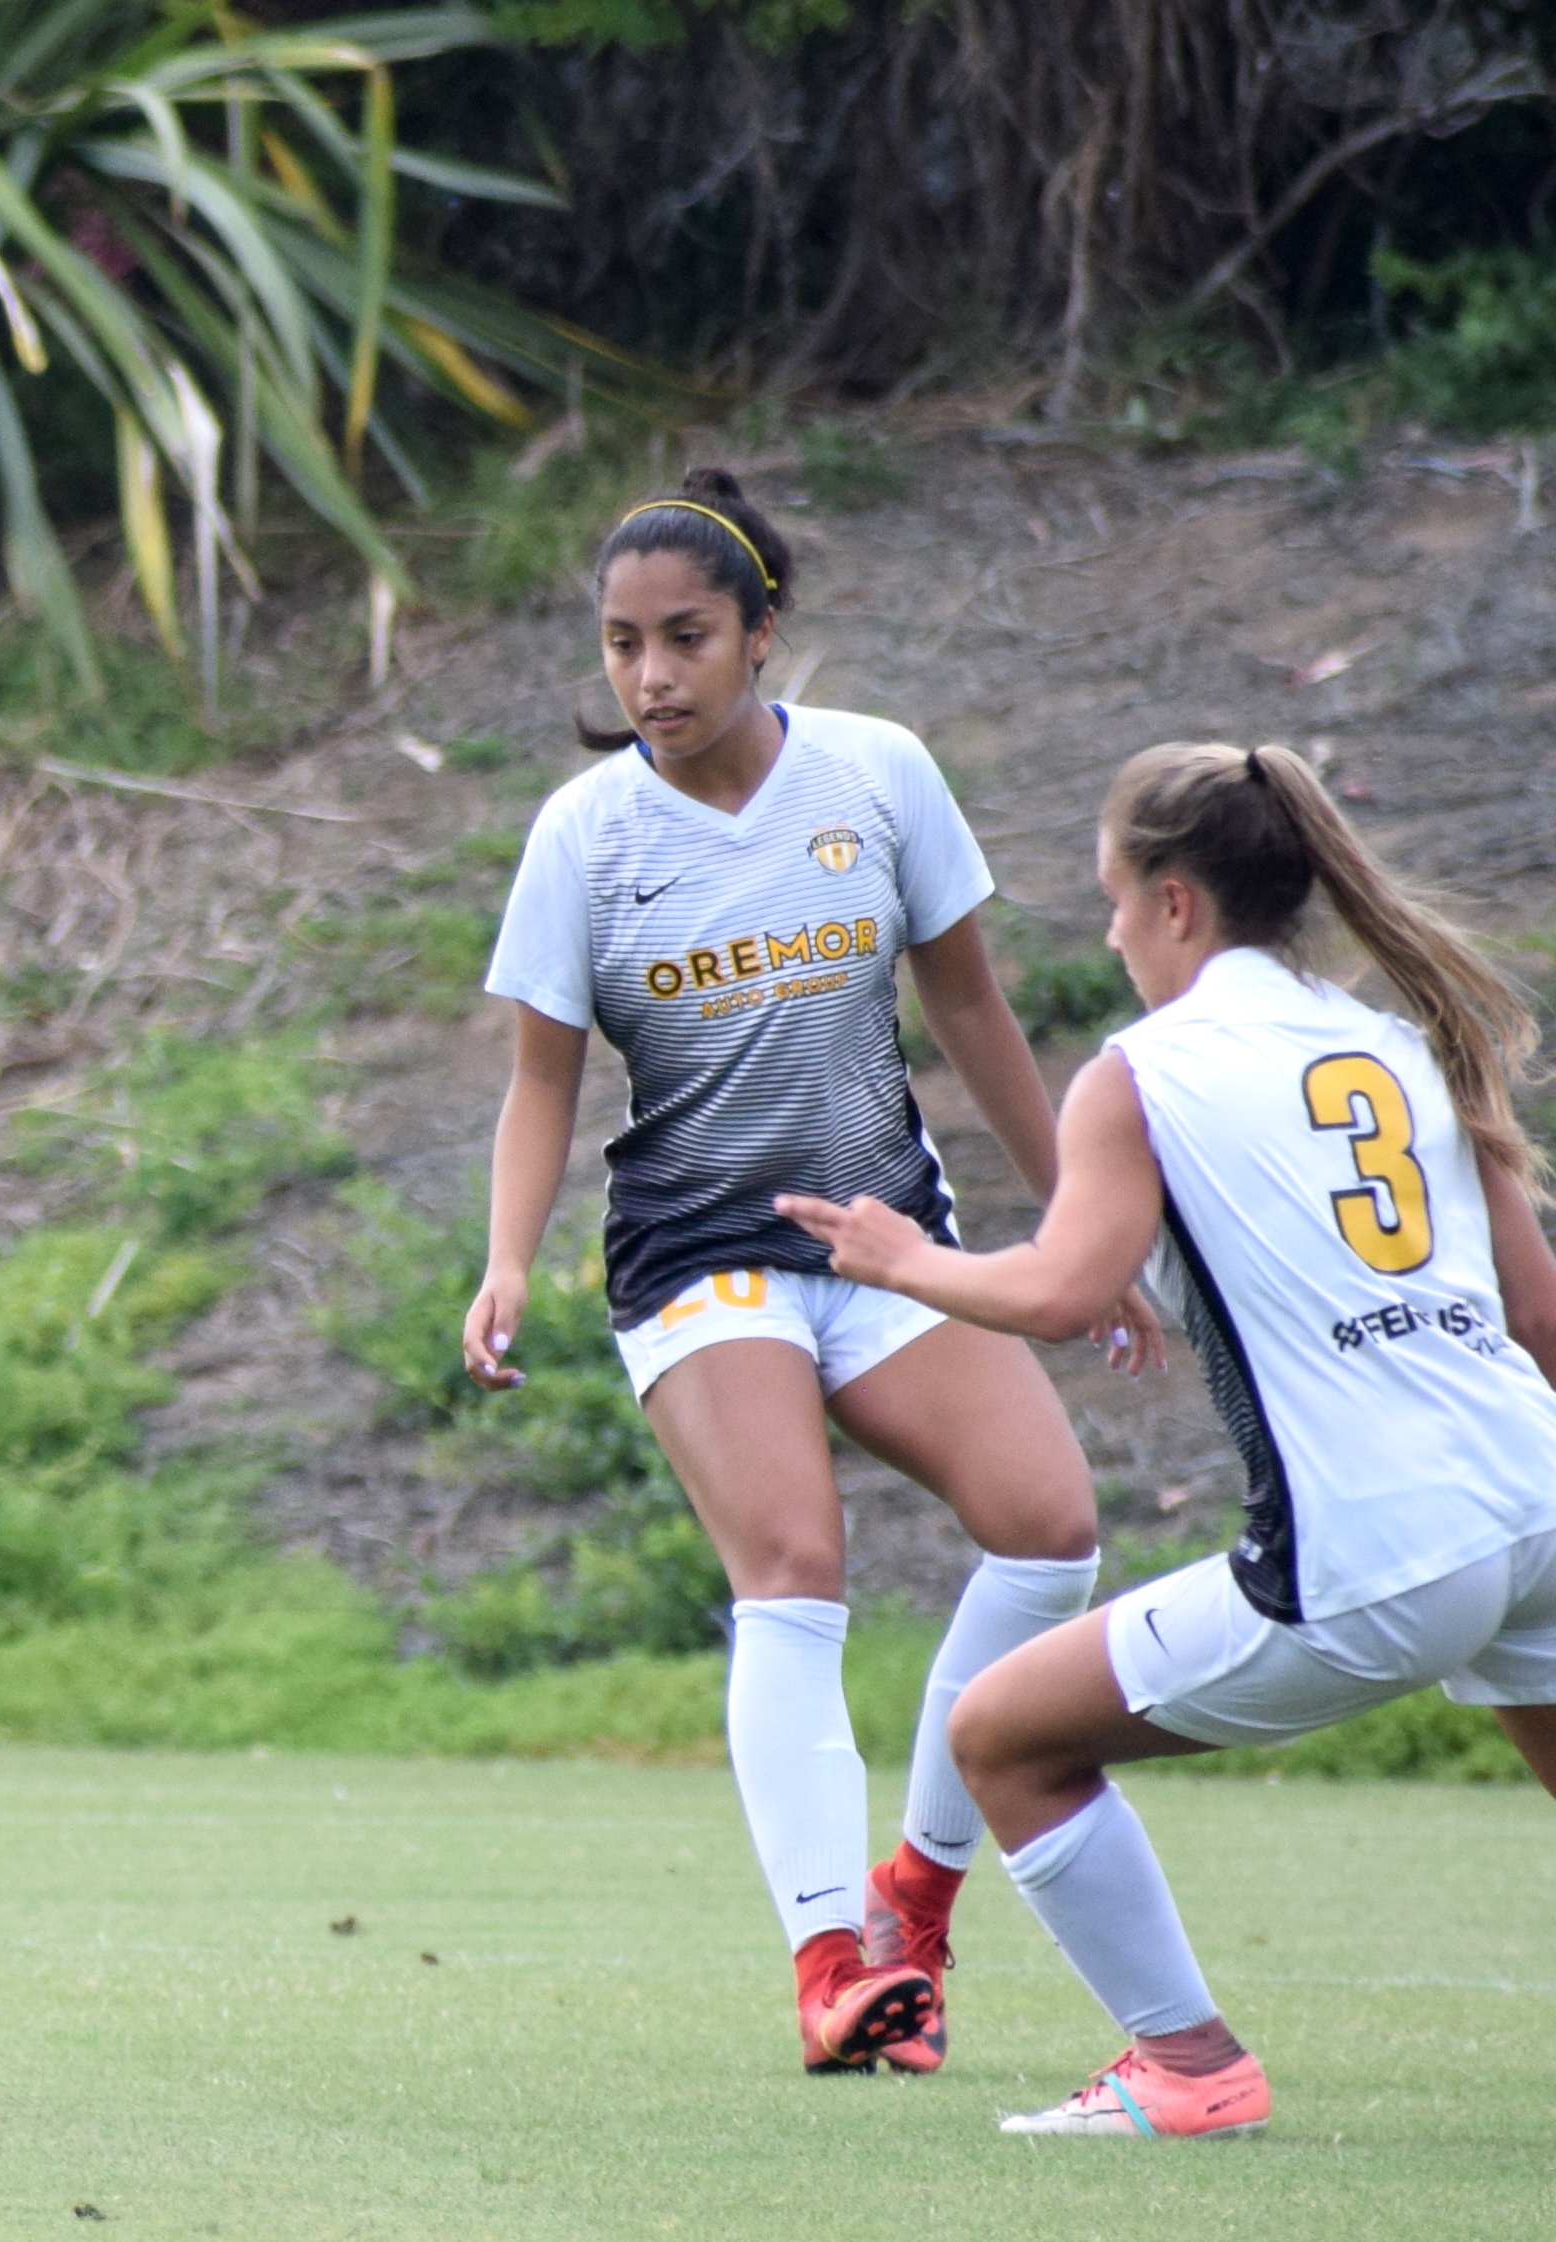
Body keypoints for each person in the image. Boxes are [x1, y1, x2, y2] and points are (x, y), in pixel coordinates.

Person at [781, 739, 1556, 2155]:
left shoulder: (1142, 1073)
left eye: (1116, 899)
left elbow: (1064, 1294)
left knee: (1001, 1732)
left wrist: (899, 1258)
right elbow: (1546, 1317)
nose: (1117, 932)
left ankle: (1185, 2065)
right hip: (1540, 1508)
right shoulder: (1401, 1040)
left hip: (1374, 1550)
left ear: (1178, 903)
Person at [463, 469, 1161, 2075]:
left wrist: (1078, 1226)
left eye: (686, 637)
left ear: (762, 633)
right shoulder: (587, 835)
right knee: (795, 1565)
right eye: (623, 643)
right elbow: (543, 1082)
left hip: (882, 1241)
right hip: (700, 1260)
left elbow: (975, 1012)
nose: (650, 676)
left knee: (1051, 1533)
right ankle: (829, 1956)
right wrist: (507, 1259)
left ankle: (915, 1887)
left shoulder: (878, 775)